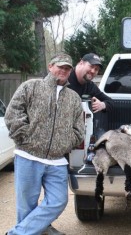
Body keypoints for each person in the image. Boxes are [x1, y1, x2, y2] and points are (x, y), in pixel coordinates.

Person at [4, 53, 85, 235]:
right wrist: (25, 137)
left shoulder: (73, 98)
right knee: (26, 205)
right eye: (60, 66)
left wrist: (65, 143)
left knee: (58, 200)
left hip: (57, 161)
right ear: (50, 67)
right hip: (28, 155)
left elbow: (79, 129)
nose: (63, 70)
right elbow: (13, 113)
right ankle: (39, 231)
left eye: (67, 68)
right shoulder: (31, 87)